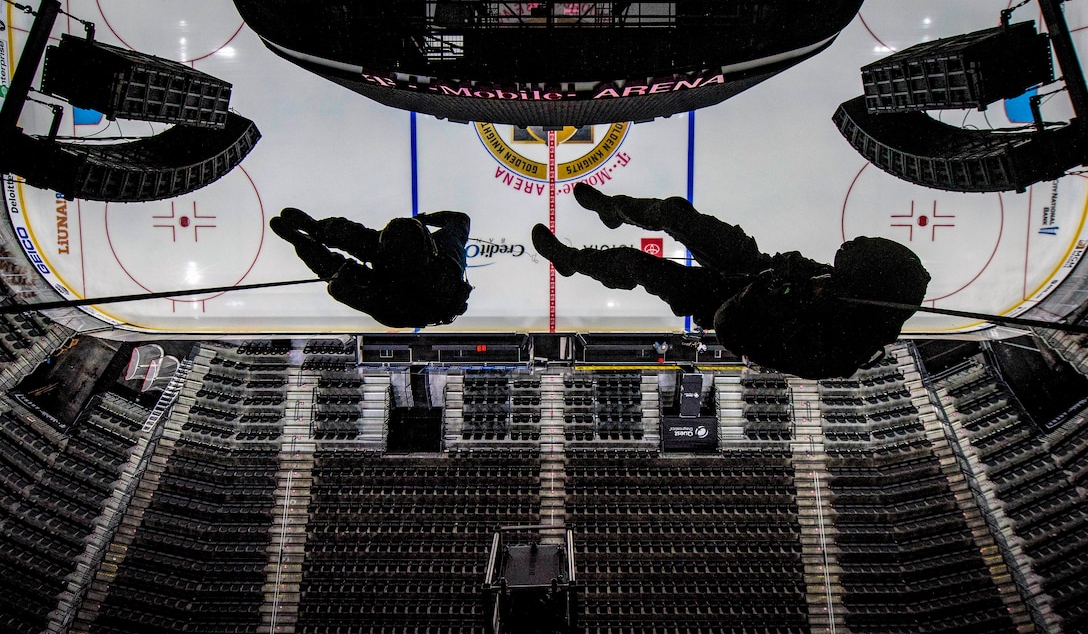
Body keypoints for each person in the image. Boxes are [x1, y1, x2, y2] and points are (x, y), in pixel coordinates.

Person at [532, 184, 931, 379]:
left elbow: (733, 332)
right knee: (676, 215)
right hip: (753, 266)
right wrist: (792, 271)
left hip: (726, 305)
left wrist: (769, 291)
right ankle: (616, 210)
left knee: (636, 267)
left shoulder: (835, 352)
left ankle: (572, 261)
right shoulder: (860, 291)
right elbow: (807, 266)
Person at [270, 208, 473, 328]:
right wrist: (423, 219)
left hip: (403, 298)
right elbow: (460, 219)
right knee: (357, 237)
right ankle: (316, 228)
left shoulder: (397, 305)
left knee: (336, 268)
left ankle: (301, 241)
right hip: (403, 274)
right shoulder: (449, 248)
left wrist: (338, 283)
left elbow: (343, 291)